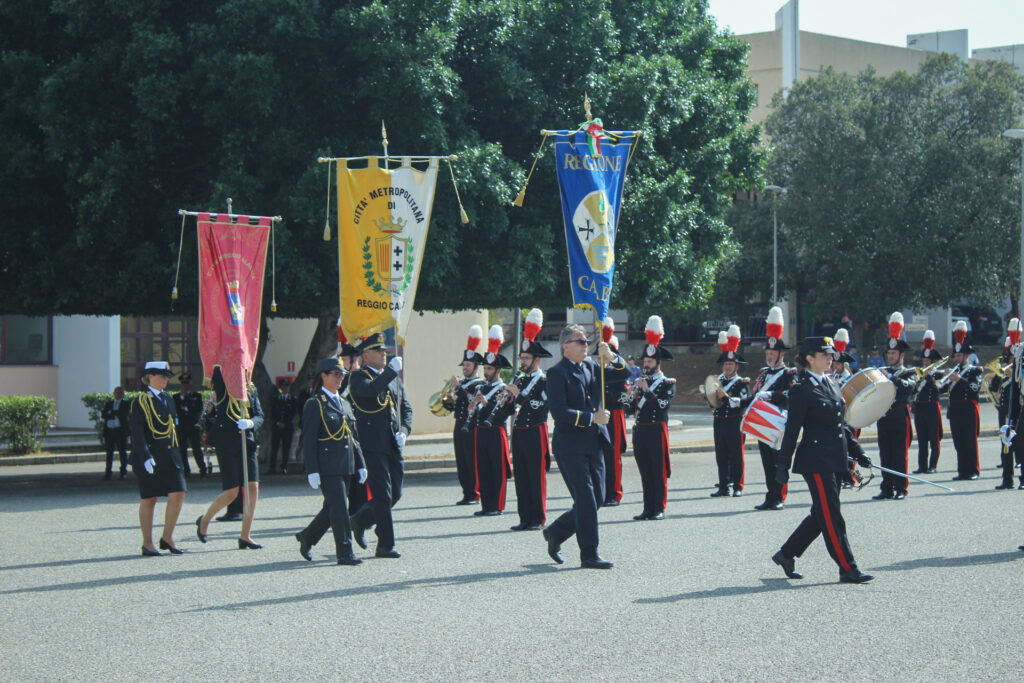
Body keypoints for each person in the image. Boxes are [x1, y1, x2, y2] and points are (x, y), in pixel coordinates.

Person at [771, 337, 874, 584]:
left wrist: (857, 451)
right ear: (809, 358)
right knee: (832, 515)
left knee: (822, 514)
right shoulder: (801, 389)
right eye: (824, 354)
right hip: (815, 462)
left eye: (831, 355)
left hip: (835, 458)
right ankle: (848, 568)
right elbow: (793, 429)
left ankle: (786, 554)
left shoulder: (832, 383)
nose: (831, 358)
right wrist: (783, 463)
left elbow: (841, 425)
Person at [541, 323, 630, 569]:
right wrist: (592, 418)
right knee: (586, 498)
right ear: (566, 346)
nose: (586, 345)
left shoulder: (592, 366)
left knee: (598, 498)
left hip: (594, 442)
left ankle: (556, 532)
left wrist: (611, 356)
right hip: (570, 445)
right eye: (580, 341)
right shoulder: (557, 373)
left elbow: (624, 374)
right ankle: (589, 554)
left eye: (586, 341)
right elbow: (559, 412)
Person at [294, 358, 367, 565]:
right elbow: (308, 439)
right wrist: (312, 470)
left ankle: (307, 536)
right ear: (323, 376)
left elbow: (353, 437)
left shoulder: (344, 403)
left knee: (333, 508)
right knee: (340, 508)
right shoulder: (315, 404)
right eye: (336, 374)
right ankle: (345, 551)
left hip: (346, 463)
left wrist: (361, 464)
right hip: (327, 466)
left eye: (342, 374)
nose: (340, 378)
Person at [348, 332, 413, 558]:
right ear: (365, 356)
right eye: (378, 350)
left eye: (384, 350)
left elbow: (406, 409)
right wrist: (390, 372)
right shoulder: (358, 377)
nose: (384, 353)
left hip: (393, 444)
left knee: (396, 493)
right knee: (383, 495)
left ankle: (359, 520)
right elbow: (370, 391)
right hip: (372, 445)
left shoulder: (392, 377)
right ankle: (385, 544)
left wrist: (404, 432)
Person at [196, 366, 264, 549]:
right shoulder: (223, 383)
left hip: (246, 440)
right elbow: (217, 370)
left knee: (253, 488)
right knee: (232, 491)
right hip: (226, 440)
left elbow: (259, 415)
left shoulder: (250, 388)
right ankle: (204, 520)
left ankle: (245, 535)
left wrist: (251, 423)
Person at [130, 361, 187, 556]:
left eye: (167, 376)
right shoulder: (140, 400)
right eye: (162, 375)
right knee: (149, 499)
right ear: (150, 376)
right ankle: (147, 543)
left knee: (179, 492)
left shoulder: (168, 398)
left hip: (170, 454)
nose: (166, 379)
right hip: (150, 455)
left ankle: (167, 537)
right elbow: (137, 431)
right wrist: (144, 455)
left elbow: (172, 426)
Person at [507, 309, 552, 531]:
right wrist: (505, 400)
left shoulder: (544, 380)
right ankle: (524, 517)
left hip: (536, 431)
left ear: (536, 359)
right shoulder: (521, 379)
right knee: (521, 475)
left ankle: (538, 517)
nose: (522, 361)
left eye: (526, 358)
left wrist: (519, 395)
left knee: (535, 475)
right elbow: (511, 407)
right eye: (522, 358)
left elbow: (540, 406)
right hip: (520, 431)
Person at [630, 315, 676, 521]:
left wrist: (647, 391)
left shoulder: (667, 383)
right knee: (645, 472)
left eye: (649, 362)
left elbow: (663, 406)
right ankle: (647, 508)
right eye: (645, 361)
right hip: (640, 430)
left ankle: (659, 508)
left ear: (658, 363)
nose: (646, 365)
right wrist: (630, 395)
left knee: (658, 472)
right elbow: (630, 407)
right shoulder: (641, 381)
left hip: (657, 430)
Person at [751, 307, 796, 511]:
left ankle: (780, 496)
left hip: (779, 424)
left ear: (781, 354)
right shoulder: (763, 373)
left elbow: (790, 398)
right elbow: (755, 396)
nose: (769, 356)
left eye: (772, 353)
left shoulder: (789, 374)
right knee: (767, 463)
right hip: (762, 423)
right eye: (768, 353)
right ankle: (770, 495)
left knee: (779, 463)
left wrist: (771, 395)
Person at [467, 325, 514, 516]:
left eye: (489, 368)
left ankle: (497, 505)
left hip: (496, 432)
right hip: (481, 432)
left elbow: (505, 414)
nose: (486, 371)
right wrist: (473, 407)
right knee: (483, 469)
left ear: (497, 370)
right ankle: (486, 505)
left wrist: (485, 404)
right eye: (485, 368)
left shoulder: (504, 389)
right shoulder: (481, 387)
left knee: (497, 469)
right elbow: (477, 412)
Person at [872, 312, 917, 501]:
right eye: (888, 353)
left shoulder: (908, 372)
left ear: (901, 354)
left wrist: (891, 377)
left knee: (899, 454)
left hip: (900, 416)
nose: (890, 356)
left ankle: (901, 488)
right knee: (885, 454)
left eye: (893, 353)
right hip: (884, 416)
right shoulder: (882, 372)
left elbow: (907, 389)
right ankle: (887, 487)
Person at [441, 324, 485, 505]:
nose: (465, 368)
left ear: (476, 367)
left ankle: (475, 493)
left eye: (468, 365)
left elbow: (472, 401)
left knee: (472, 460)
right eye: (464, 365)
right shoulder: (463, 383)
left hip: (472, 425)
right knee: (461, 461)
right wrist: (448, 400)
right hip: (459, 424)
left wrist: (458, 388)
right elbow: (456, 404)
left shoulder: (479, 383)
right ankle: (466, 492)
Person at [711, 326, 750, 497]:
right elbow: (711, 402)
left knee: (736, 455)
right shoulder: (716, 380)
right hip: (719, 420)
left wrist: (725, 397)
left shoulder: (742, 382)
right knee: (721, 455)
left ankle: (738, 486)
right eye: (725, 364)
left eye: (730, 364)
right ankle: (723, 486)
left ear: (736, 367)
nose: (727, 366)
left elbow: (741, 403)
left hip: (735, 421)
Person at [943, 322, 983, 481]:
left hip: (968, 409)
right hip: (955, 410)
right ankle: (962, 470)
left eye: (960, 356)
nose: (957, 359)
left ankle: (973, 470)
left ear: (966, 356)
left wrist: (959, 380)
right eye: (956, 356)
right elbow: (942, 390)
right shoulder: (954, 372)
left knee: (969, 441)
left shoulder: (974, 370)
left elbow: (974, 388)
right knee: (958, 441)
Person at [599, 317, 629, 507]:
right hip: (598, 417)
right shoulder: (596, 371)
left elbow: (622, 393)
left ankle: (615, 492)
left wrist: (611, 356)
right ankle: (602, 491)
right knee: (600, 456)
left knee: (613, 456)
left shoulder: (614, 373)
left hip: (613, 416)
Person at [913, 330, 945, 475]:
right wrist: (919, 379)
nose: (925, 363)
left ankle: (933, 465)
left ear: (932, 362)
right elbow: (913, 391)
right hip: (919, 408)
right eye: (923, 361)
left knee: (934, 438)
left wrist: (929, 378)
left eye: (927, 361)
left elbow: (941, 389)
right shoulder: (918, 373)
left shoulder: (937, 374)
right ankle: (922, 466)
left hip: (932, 407)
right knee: (921, 439)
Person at [173, 372, 207, 478]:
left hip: (193, 426)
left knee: (196, 448)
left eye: (187, 384)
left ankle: (202, 469)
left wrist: (186, 408)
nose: (185, 386)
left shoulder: (196, 396)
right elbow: (175, 410)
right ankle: (186, 469)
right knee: (182, 448)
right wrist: (183, 402)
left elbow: (198, 409)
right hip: (182, 426)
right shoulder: (176, 397)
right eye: (183, 384)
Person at [267, 379, 296, 475]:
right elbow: (272, 412)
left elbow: (293, 414)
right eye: (284, 386)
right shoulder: (275, 398)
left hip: (287, 428)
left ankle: (284, 467)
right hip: (277, 427)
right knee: (274, 447)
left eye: (287, 387)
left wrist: (285, 423)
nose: (286, 388)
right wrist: (277, 422)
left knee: (286, 448)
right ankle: (272, 467)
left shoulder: (292, 399)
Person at [101, 386, 131, 480]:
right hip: (110, 431)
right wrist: (113, 413)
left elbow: (123, 414)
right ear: (114, 394)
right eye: (117, 392)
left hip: (120, 431)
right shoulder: (109, 403)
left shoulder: (126, 404)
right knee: (109, 453)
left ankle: (123, 472)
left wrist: (112, 413)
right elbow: (104, 414)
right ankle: (108, 472)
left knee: (122, 452)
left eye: (120, 393)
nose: (118, 394)